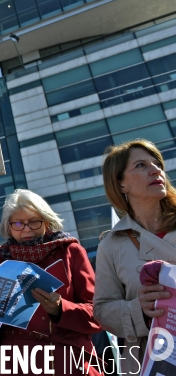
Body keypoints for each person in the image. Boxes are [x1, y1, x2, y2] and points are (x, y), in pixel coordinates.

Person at [0, 189, 102, 375]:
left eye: (34, 221)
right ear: (8, 227)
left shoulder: (70, 251)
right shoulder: (0, 258)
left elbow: (98, 312)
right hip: (17, 363)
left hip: (68, 361)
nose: (26, 229)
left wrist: (60, 309)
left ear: (47, 222)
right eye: (18, 223)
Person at [94, 139, 176, 375]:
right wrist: (139, 309)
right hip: (151, 360)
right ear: (121, 185)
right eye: (141, 165)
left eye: (157, 163)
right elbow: (102, 311)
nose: (155, 170)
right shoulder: (111, 245)